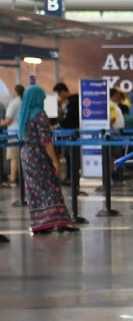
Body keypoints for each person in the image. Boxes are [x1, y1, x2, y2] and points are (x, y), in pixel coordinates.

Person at [15, 86, 78, 235]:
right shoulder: (39, 114)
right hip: (39, 155)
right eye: (42, 97)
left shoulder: (22, 115)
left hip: (26, 154)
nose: (44, 100)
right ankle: (60, 222)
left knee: (34, 189)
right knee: (51, 187)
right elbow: (46, 141)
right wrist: (56, 161)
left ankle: (40, 224)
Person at [1, 84, 23, 187]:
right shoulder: (23, 102)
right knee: (20, 156)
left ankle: (13, 179)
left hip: (13, 134)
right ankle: (20, 177)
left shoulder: (14, 103)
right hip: (22, 133)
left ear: (15, 92)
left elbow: (8, 120)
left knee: (13, 157)